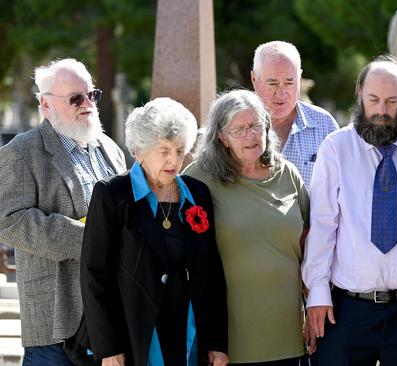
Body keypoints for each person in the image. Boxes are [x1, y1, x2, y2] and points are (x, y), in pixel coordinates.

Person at [302, 55, 397, 366]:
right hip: (346, 311)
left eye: (391, 101)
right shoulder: (335, 148)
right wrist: (318, 293)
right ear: (359, 93)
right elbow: (323, 226)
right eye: (374, 99)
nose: (381, 111)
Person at [80, 97, 228, 366]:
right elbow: (95, 274)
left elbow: (212, 272)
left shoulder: (198, 194)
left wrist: (217, 342)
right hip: (135, 334)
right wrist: (108, 348)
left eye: (181, 150)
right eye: (164, 150)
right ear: (139, 151)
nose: (174, 160)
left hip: (189, 330)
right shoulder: (113, 194)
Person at [0, 58, 126, 365]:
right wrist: (90, 240)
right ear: (45, 104)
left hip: (110, 320)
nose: (87, 104)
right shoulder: (21, 151)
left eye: (91, 95)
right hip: (56, 324)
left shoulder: (110, 149)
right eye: (75, 98)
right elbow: (9, 220)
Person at [184, 89, 310, 365]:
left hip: (287, 333)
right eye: (239, 129)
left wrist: (313, 307)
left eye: (256, 125)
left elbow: (310, 245)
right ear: (221, 137)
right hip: (228, 342)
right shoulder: (198, 178)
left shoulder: (287, 173)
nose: (251, 135)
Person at [251, 40, 338, 188]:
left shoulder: (324, 124)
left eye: (289, 83)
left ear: (299, 78)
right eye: (272, 83)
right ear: (254, 79)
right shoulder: (237, 125)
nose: (281, 93)